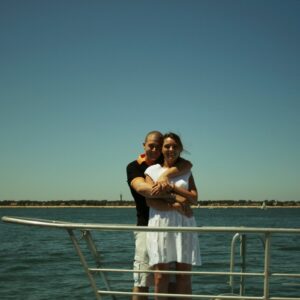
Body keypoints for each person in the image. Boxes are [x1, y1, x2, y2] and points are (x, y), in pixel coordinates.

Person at [126, 130, 193, 300]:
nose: (155, 150)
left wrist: (165, 176)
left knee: (169, 280)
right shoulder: (135, 166)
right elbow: (143, 189)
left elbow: (188, 165)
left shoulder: (170, 164)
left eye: (158, 146)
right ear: (144, 145)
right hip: (146, 227)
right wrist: (175, 200)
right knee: (142, 280)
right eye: (151, 146)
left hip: (170, 228)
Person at [145, 132, 201, 299]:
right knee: (160, 277)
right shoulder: (151, 171)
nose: (171, 149)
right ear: (161, 149)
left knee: (184, 277)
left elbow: (194, 199)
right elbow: (151, 201)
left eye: (175, 146)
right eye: (167, 146)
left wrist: (171, 187)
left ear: (180, 149)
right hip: (160, 224)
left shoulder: (187, 171)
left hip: (184, 224)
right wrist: (176, 203)